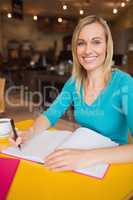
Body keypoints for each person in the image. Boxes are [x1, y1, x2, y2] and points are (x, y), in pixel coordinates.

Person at [11, 15, 133, 171]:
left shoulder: (124, 84)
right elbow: (50, 115)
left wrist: (86, 157)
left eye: (96, 42)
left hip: (114, 164)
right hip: (82, 161)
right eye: (81, 43)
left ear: (107, 46)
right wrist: (30, 133)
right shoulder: (74, 82)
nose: (88, 50)